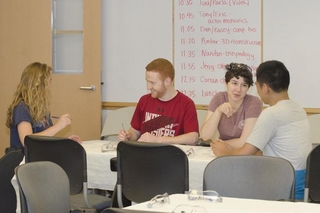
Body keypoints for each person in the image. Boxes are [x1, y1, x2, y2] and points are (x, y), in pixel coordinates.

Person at [211, 60, 312, 200]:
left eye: (257, 86)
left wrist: (224, 153)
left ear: (265, 88)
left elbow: (242, 156)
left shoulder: (271, 114)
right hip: (304, 187)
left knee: (234, 186)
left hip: (285, 188)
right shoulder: (298, 109)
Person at [118, 58, 199, 145]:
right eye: (147, 81)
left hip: (170, 156)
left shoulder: (186, 104)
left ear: (167, 81)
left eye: (152, 83)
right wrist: (128, 136)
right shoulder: (144, 100)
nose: (148, 87)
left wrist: (158, 140)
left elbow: (193, 138)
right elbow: (135, 131)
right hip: (145, 154)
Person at [6, 62, 81, 151]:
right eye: (48, 82)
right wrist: (58, 126)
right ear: (38, 85)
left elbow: (46, 138)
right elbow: (26, 141)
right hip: (26, 161)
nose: (49, 87)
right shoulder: (22, 108)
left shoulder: (41, 110)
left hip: (39, 156)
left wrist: (65, 141)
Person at [201, 63, 262, 148]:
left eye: (244, 85)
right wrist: (218, 111)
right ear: (226, 83)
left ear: (248, 88)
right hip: (221, 151)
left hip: (244, 154)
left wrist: (220, 144)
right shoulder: (219, 98)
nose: (238, 89)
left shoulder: (253, 102)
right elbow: (205, 136)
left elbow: (245, 142)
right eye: (234, 83)